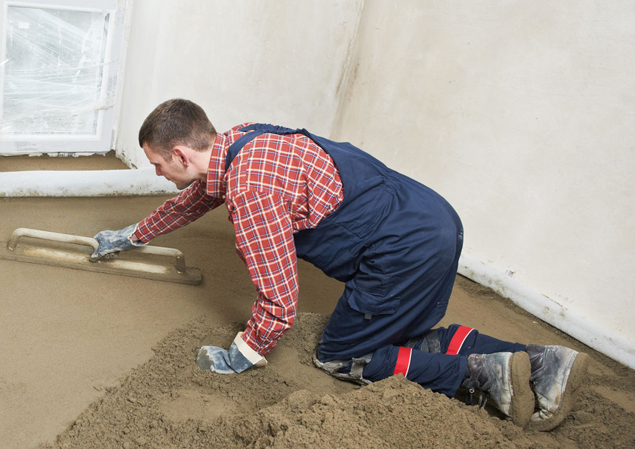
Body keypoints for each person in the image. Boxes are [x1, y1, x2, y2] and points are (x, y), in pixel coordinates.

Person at [93, 98, 588, 430]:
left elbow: (280, 298)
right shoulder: (241, 140)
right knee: (394, 335)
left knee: (343, 356)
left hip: (401, 251)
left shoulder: (250, 192)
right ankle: (545, 362)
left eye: (158, 164)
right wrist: (132, 235)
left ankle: (486, 376)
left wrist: (243, 352)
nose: (158, 174)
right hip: (431, 218)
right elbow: (195, 197)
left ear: (180, 153)